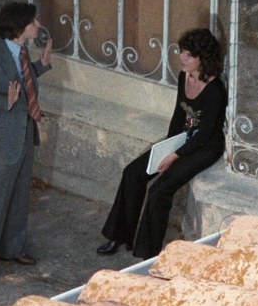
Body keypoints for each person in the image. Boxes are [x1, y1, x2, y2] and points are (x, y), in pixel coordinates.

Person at [97, 28, 227, 260]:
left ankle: (147, 254)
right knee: (133, 173)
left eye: (188, 55)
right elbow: (179, 115)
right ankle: (119, 235)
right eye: (181, 52)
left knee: (159, 190)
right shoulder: (184, 76)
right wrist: (167, 147)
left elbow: (205, 134)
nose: (181, 58)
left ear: (202, 58)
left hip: (206, 146)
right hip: (184, 138)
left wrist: (174, 156)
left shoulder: (215, 89)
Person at [0, 1, 53, 283]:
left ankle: (13, 248)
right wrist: (5, 102)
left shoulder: (22, 52)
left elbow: (24, 78)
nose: (37, 25)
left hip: (25, 133)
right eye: (33, 22)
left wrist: (42, 66)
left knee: (19, 196)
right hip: (3, 140)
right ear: (20, 27)